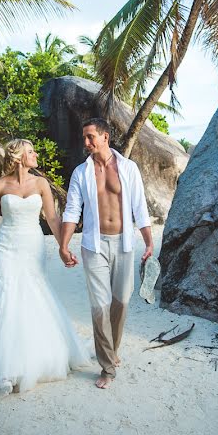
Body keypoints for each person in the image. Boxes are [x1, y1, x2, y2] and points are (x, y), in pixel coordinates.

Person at [0, 139, 90, 398]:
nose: (35, 154)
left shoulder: (41, 184)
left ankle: (31, 358)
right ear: (19, 157)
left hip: (32, 246)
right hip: (5, 248)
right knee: (5, 298)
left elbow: (53, 218)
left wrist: (63, 247)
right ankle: (4, 369)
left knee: (33, 295)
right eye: (31, 151)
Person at [58, 118, 153, 389]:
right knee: (100, 306)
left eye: (90, 137)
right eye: (84, 138)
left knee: (121, 301)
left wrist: (148, 243)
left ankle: (112, 350)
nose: (86, 143)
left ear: (105, 137)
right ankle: (107, 367)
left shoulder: (128, 168)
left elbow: (140, 207)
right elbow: (72, 211)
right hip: (94, 245)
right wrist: (64, 245)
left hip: (124, 244)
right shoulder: (81, 173)